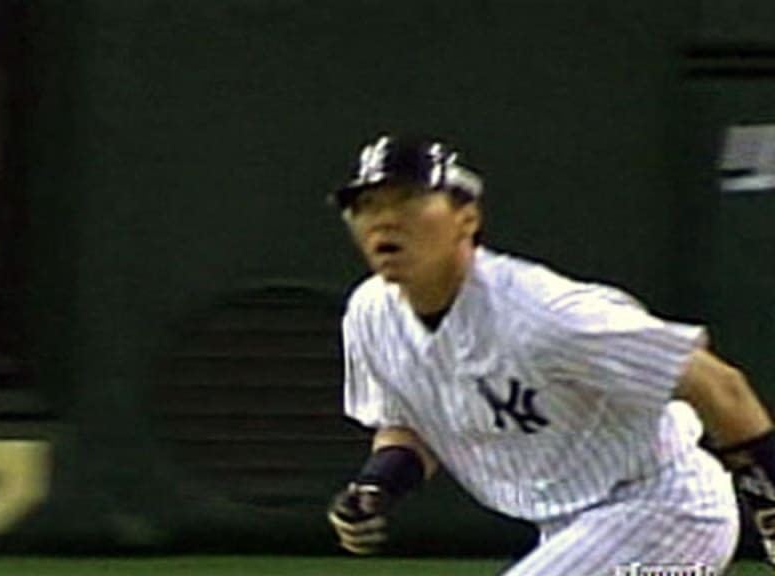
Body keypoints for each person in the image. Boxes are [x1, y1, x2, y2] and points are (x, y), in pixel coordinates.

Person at [325, 133, 775, 574]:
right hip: (573, 529)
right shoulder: (371, 315)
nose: (384, 220)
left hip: (666, 511)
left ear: (467, 217)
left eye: (407, 200)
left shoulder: (543, 313)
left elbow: (718, 385)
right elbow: (408, 428)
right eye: (365, 206)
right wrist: (376, 484)